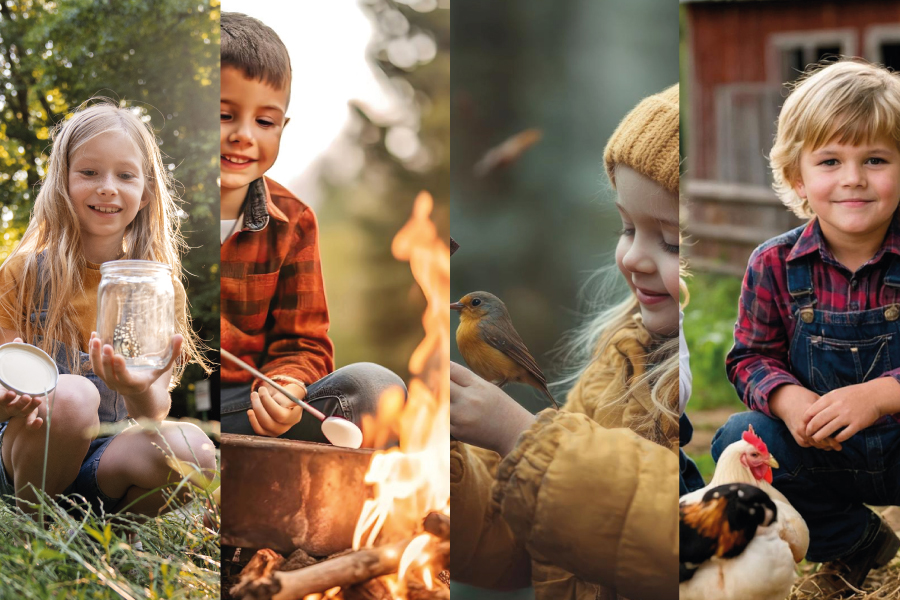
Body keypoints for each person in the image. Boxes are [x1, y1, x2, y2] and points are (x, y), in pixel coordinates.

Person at [450, 84, 680, 600]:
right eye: (626, 228)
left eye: (670, 241)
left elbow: (673, 533)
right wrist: (446, 465)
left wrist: (520, 435)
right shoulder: (616, 362)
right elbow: (515, 539)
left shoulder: (730, 385)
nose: (635, 258)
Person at [713, 59, 900, 596]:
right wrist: (789, 401)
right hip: (825, 452)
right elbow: (748, 356)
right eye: (830, 160)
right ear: (798, 176)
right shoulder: (773, 263)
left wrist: (882, 394)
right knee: (736, 438)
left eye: (876, 159)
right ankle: (855, 539)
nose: (853, 178)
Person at [0, 100, 216, 516]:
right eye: (89, 172)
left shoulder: (157, 286)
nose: (107, 187)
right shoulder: (21, 274)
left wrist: (136, 387)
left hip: (102, 463)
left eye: (125, 175)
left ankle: (103, 535)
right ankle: (30, 530)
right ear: (62, 180)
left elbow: (153, 410)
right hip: (23, 459)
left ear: (146, 190)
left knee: (195, 450)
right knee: (73, 396)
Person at [219, 12, 404, 444]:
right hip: (164, 411)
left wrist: (286, 384)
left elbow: (304, 343)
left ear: (282, 127)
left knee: (376, 391)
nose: (244, 136)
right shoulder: (146, 206)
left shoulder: (295, 220)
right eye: (224, 115)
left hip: (246, 410)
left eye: (264, 122)